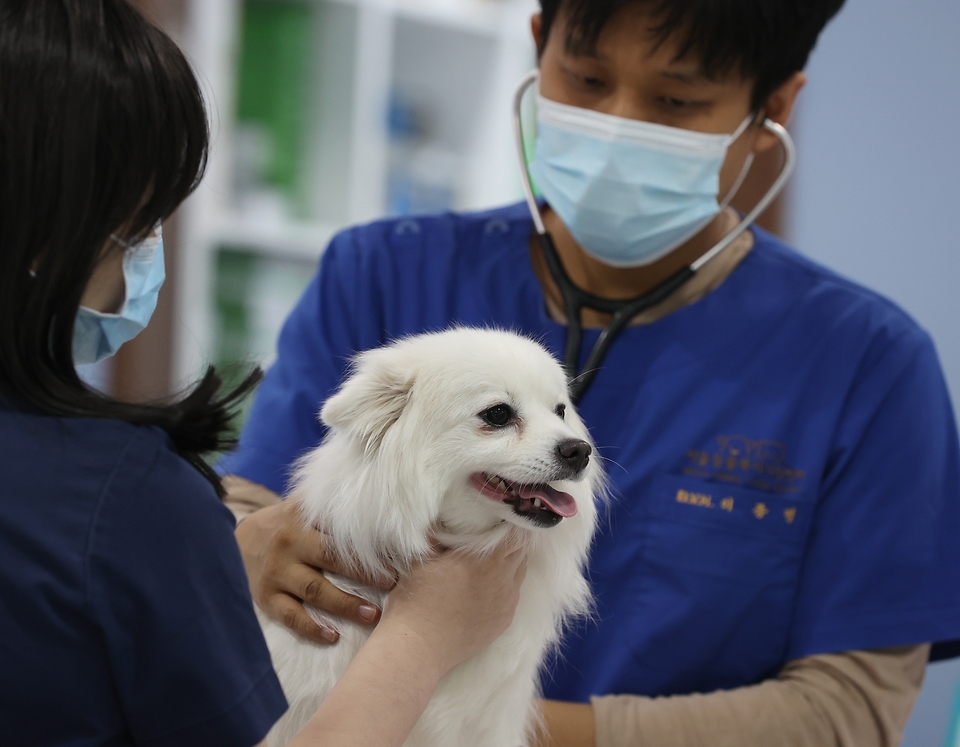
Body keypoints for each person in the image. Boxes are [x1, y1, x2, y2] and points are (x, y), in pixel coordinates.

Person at [221, 0, 960, 745]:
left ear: (773, 106)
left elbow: (847, 713)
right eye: (584, 77)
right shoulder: (382, 274)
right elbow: (241, 527)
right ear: (538, 46)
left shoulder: (869, 365)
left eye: (675, 100)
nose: (617, 124)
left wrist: (475, 723)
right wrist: (244, 544)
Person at [0, 2, 527, 746]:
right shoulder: (124, 501)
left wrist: (213, 548)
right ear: (50, 230)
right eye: (137, 227)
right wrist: (424, 639)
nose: (147, 256)